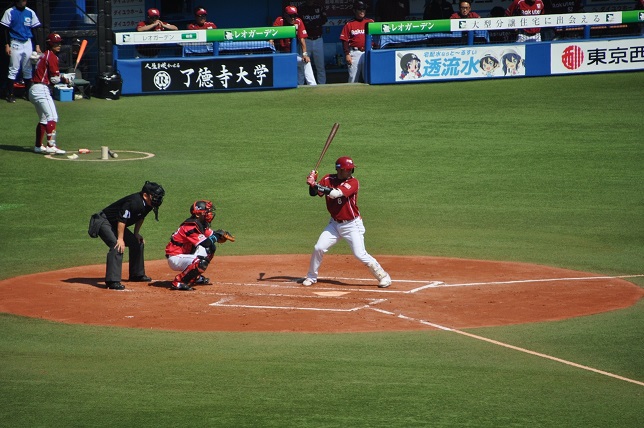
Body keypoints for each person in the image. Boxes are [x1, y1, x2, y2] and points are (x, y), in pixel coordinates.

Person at [302, 156, 392, 288]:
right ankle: (311, 277)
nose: (350, 172)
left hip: (352, 225)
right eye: (347, 169)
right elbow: (313, 193)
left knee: (359, 254)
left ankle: (384, 276)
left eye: (351, 169)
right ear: (339, 170)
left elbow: (335, 194)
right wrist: (312, 182)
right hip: (334, 224)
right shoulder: (328, 179)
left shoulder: (353, 182)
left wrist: (316, 184)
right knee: (318, 248)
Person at [88, 181, 165, 290]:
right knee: (117, 245)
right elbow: (121, 220)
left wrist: (136, 233)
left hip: (116, 224)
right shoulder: (133, 202)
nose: (158, 199)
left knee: (137, 242)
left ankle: (136, 275)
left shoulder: (148, 204)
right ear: (145, 195)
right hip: (104, 221)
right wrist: (120, 239)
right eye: (155, 196)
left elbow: (141, 217)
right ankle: (112, 281)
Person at [165, 200, 234, 291]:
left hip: (185, 255)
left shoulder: (200, 225)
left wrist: (221, 235)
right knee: (201, 262)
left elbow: (212, 238)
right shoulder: (190, 227)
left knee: (211, 248)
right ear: (197, 214)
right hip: (175, 257)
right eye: (206, 212)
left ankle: (194, 277)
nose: (209, 214)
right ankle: (179, 281)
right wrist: (217, 236)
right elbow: (206, 243)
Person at [29, 33, 70, 155]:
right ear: (50, 44)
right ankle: (51, 145)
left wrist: (61, 77)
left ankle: (38, 146)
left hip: (33, 89)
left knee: (44, 119)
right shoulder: (51, 56)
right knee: (52, 117)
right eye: (56, 43)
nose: (59, 45)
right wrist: (64, 79)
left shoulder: (43, 56)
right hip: (41, 89)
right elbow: (54, 80)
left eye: (59, 43)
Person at [1, 0, 41, 103]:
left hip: (27, 42)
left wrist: (37, 44)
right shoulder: (10, 12)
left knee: (27, 68)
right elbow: (4, 29)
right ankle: (10, 94)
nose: (23, 2)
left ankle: (27, 93)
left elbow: (34, 29)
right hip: (15, 42)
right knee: (13, 68)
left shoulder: (30, 12)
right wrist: (7, 45)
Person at [271, 5, 316, 86]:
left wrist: (305, 54)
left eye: (294, 16)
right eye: (291, 16)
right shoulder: (280, 20)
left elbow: (302, 39)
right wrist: (271, 41)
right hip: (280, 54)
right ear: (285, 15)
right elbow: (271, 35)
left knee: (306, 62)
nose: (293, 18)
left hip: (292, 54)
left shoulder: (298, 21)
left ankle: (313, 85)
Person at [340, 1, 374, 83]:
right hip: (355, 53)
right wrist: (347, 54)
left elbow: (376, 38)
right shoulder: (349, 24)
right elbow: (344, 40)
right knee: (353, 78)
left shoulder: (370, 22)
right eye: (360, 9)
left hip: (368, 52)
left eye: (364, 9)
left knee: (368, 78)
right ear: (354, 10)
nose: (362, 11)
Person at [299, 0, 327, 84]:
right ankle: (301, 84)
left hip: (318, 39)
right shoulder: (301, 8)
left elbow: (324, 20)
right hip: (306, 40)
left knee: (320, 65)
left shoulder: (319, 7)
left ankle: (322, 85)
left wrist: (314, 23)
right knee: (303, 63)